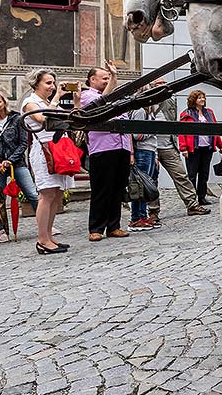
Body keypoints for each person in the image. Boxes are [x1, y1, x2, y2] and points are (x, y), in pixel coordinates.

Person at [20, 69, 78, 253]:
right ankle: (42, 239)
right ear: (36, 83)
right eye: (48, 83)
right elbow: (44, 120)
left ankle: (49, 236)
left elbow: (73, 119)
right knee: (46, 195)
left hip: (59, 150)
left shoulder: (50, 102)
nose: (52, 87)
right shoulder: (30, 103)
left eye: (53, 83)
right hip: (44, 151)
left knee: (57, 194)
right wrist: (56, 99)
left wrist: (76, 99)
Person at [80, 61, 131, 241]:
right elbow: (101, 106)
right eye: (104, 78)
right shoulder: (87, 96)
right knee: (102, 189)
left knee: (117, 189)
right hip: (103, 148)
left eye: (108, 78)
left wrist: (130, 151)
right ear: (92, 80)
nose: (106, 81)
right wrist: (114, 78)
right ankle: (96, 228)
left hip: (121, 146)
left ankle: (113, 226)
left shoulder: (114, 97)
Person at [152, 87, 208, 217]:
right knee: (152, 180)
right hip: (150, 147)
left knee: (182, 176)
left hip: (168, 147)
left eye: (164, 84)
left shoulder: (170, 101)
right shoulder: (145, 106)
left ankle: (192, 205)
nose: (162, 86)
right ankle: (153, 212)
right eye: (158, 84)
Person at [0, 90, 40, 242]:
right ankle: (1, 230)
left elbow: (23, 143)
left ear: (4, 102)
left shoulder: (16, 119)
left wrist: (10, 160)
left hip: (17, 163)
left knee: (32, 194)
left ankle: (45, 225)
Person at [179, 90, 222, 207]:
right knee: (192, 174)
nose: (202, 100)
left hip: (207, 148)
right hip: (193, 149)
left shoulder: (209, 113)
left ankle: (202, 197)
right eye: (200, 98)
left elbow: (215, 130)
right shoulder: (186, 114)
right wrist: (183, 148)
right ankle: (191, 199)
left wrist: (220, 145)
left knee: (204, 173)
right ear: (193, 100)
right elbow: (181, 132)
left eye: (203, 97)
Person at [130, 100, 159, 231]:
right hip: (142, 151)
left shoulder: (148, 112)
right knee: (140, 186)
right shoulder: (140, 111)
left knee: (146, 186)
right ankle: (136, 218)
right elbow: (137, 135)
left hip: (150, 150)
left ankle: (143, 215)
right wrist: (152, 130)